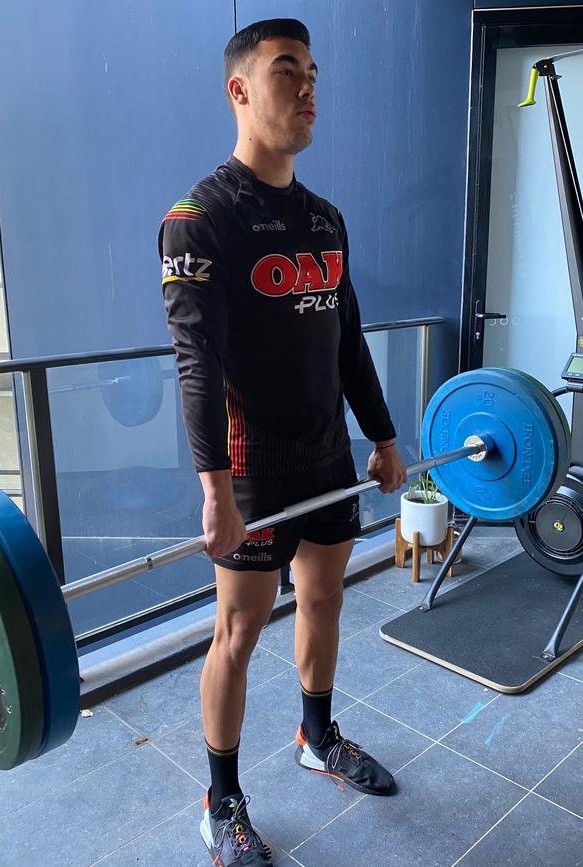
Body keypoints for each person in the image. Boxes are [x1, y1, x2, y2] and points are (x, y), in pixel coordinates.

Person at [159, 18, 407, 866]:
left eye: (312, 76)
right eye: (286, 73)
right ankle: (220, 801)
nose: (308, 90)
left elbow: (348, 341)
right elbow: (195, 365)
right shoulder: (199, 221)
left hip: (328, 453)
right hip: (254, 468)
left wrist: (382, 437)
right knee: (238, 628)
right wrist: (215, 491)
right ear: (240, 90)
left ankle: (317, 735)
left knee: (329, 598)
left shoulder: (326, 218)